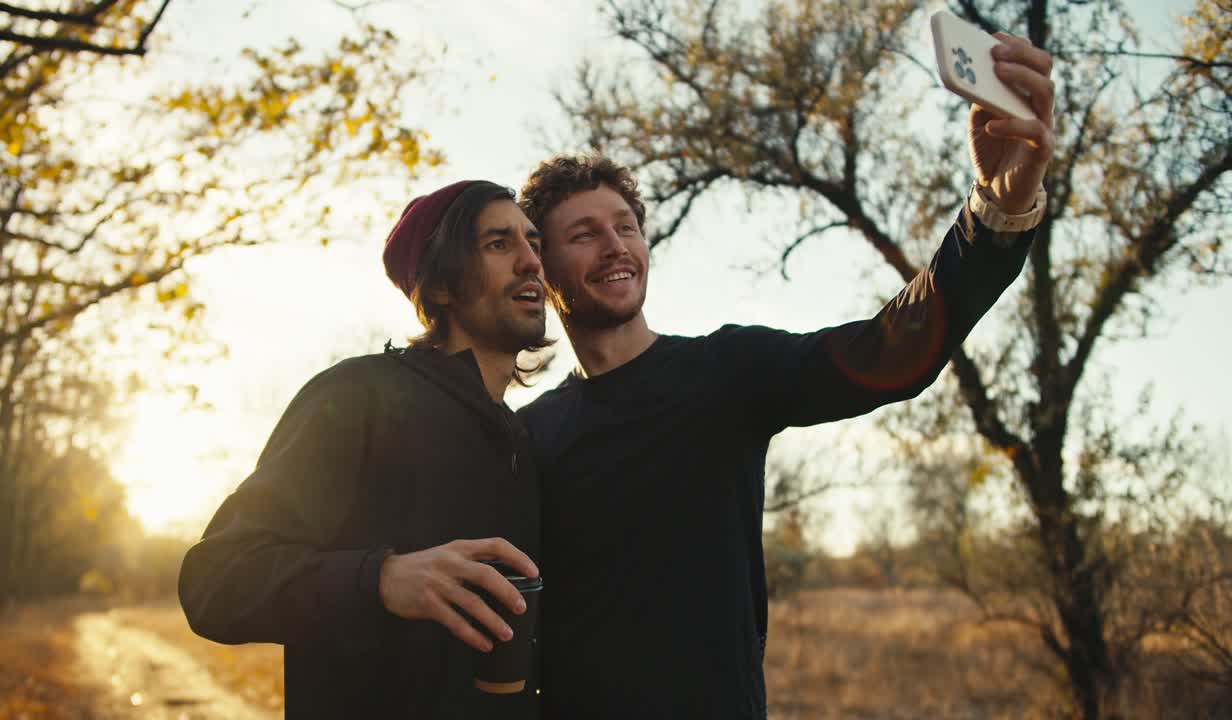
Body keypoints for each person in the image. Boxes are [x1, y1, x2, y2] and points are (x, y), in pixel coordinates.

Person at [516, 35, 1056, 719]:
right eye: (584, 233)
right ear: (545, 269)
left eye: (626, 225)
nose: (616, 244)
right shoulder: (530, 436)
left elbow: (892, 353)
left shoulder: (726, 373)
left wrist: (999, 206)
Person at [178, 180, 549, 719]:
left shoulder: (522, 438)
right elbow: (214, 580)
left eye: (533, 242)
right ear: (440, 286)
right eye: (499, 244)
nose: (531, 261)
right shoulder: (358, 396)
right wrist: (382, 579)